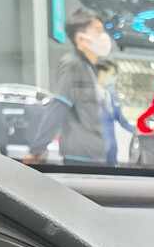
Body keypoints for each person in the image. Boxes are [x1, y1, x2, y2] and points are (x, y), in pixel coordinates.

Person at [25, 9, 112, 166]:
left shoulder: (89, 68)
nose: (104, 36)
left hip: (95, 154)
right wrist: (36, 151)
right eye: (98, 31)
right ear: (81, 39)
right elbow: (58, 107)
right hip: (81, 157)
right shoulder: (72, 65)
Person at [95, 60, 135, 166]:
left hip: (110, 152)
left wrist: (137, 130)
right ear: (102, 73)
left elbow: (121, 120)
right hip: (94, 152)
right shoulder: (87, 95)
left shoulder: (110, 96)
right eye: (112, 74)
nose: (114, 78)